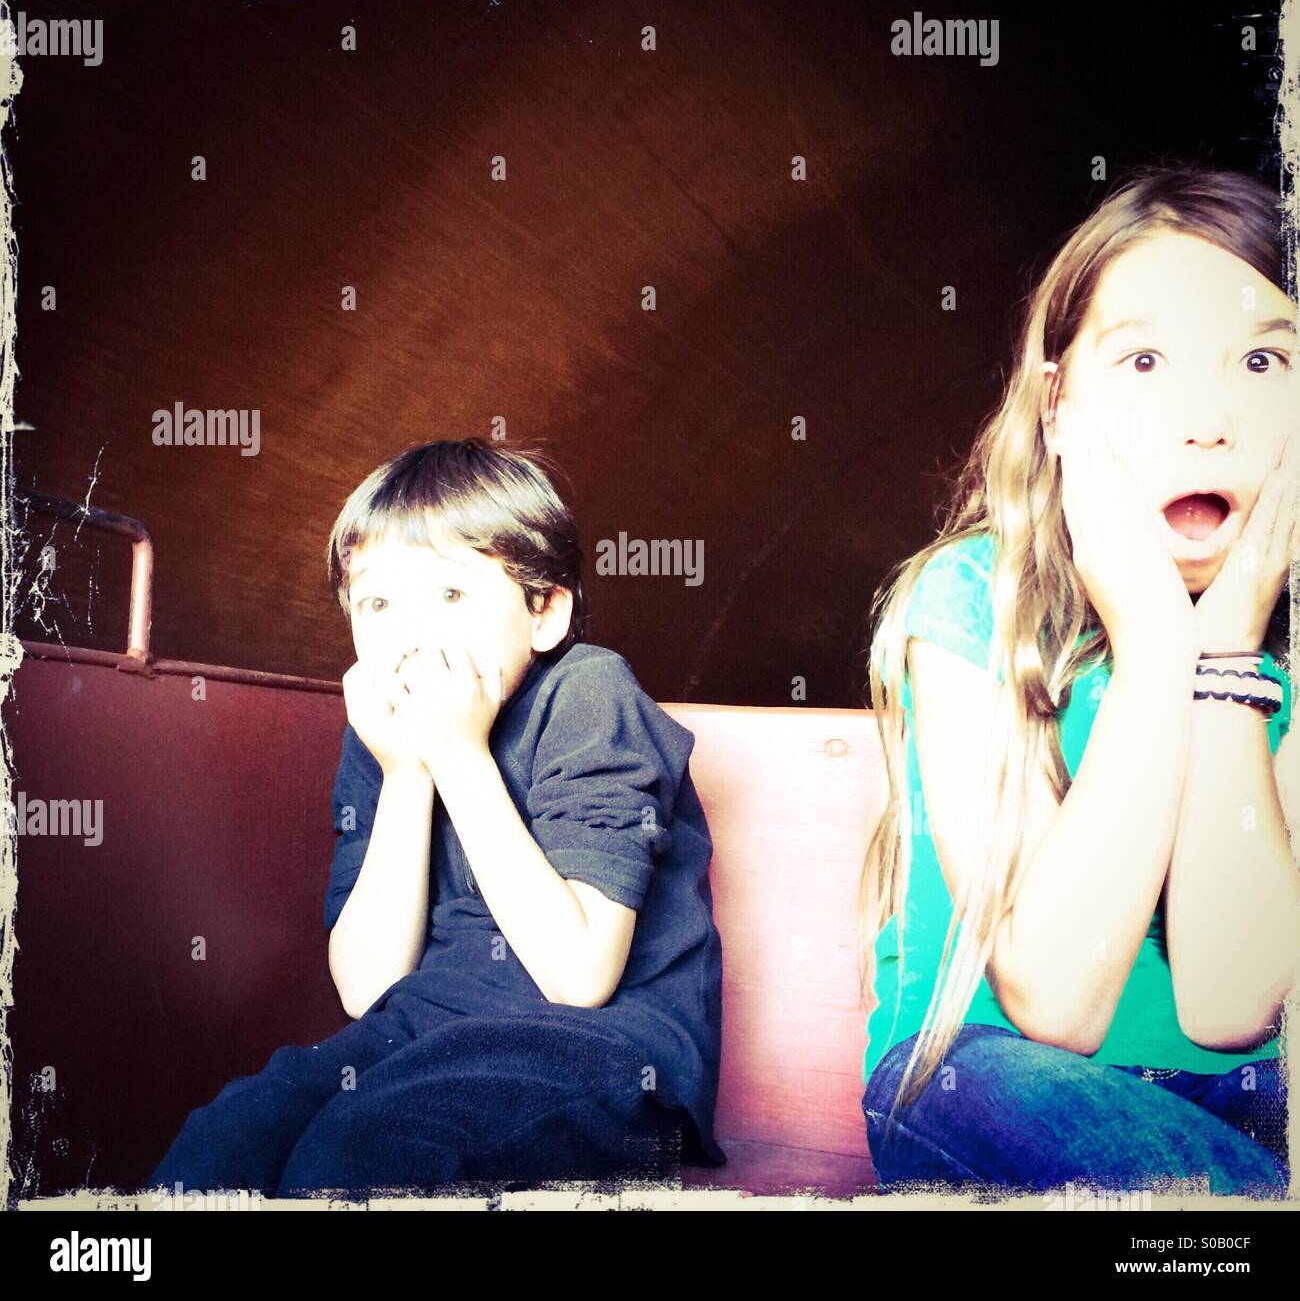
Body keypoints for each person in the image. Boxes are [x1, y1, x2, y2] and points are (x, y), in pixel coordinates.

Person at [857, 165, 1299, 1199]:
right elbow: (1055, 1001)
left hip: (1246, 1088)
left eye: (1260, 359)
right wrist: (1154, 648)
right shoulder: (969, 595)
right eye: (1144, 359)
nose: (1206, 420)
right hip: (988, 1076)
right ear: (1059, 410)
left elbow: (1232, 1006)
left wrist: (1227, 644)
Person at [144, 438, 725, 1199]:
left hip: (605, 1056)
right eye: (377, 603)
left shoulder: (589, 693)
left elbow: (580, 975)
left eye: (450, 596)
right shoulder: (387, 734)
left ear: (545, 611)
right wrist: (408, 771)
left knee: (363, 1154)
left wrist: (459, 755)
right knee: (224, 1146)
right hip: (419, 1033)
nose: (409, 636)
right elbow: (366, 986)